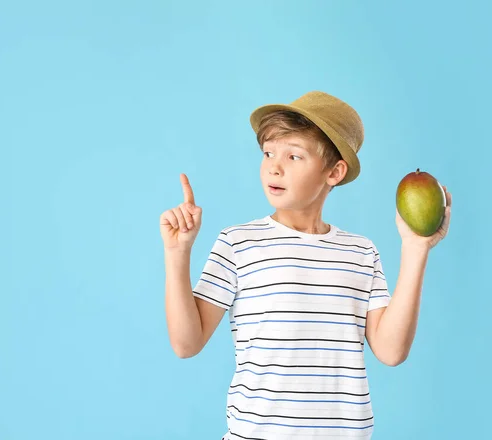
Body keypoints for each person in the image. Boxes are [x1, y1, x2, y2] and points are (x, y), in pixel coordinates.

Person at [160, 91, 452, 439]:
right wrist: (178, 254)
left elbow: (391, 351)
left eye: (294, 155)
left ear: (334, 172)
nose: (274, 166)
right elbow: (186, 343)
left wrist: (416, 248)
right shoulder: (238, 243)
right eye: (268, 153)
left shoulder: (361, 253)